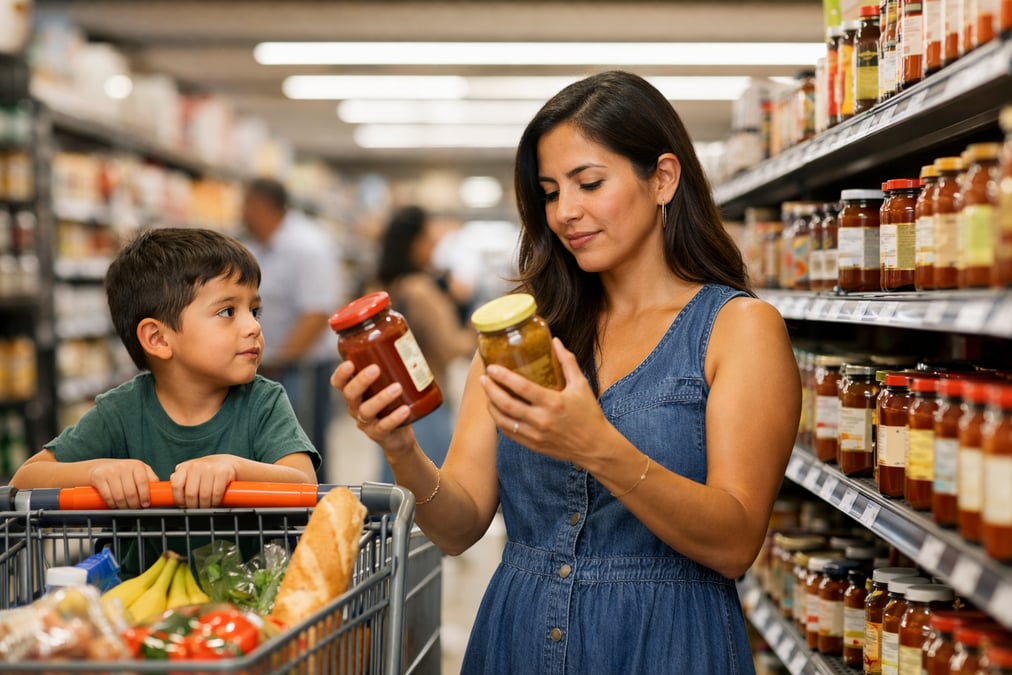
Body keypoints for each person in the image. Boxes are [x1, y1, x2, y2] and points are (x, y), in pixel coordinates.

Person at [333, 71, 799, 673]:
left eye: (589, 183)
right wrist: (400, 448)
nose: (566, 213)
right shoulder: (520, 337)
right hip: (518, 637)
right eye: (551, 192)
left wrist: (596, 445)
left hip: (666, 644)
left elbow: (735, 543)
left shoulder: (739, 329)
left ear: (662, 178)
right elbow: (457, 526)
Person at [10, 228, 319, 509]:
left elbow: (305, 485)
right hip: (142, 573)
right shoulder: (122, 412)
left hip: (246, 573)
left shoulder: (263, 403)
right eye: (227, 311)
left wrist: (233, 467)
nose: (253, 327)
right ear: (158, 338)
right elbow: (24, 481)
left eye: (254, 310)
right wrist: (96, 471)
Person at [241, 178, 340, 479]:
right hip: (267, 361)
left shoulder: (307, 245)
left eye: (245, 205)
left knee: (302, 445)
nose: (240, 212)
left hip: (302, 367)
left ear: (262, 206)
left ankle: (309, 514)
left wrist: (281, 359)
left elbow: (316, 312)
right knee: (269, 448)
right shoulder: (258, 243)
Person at [375, 205, 476, 481]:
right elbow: (452, 345)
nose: (433, 246)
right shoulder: (420, 289)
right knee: (432, 492)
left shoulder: (383, 286)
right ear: (411, 244)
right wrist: (478, 329)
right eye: (428, 239)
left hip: (393, 406)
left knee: (398, 494)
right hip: (426, 405)